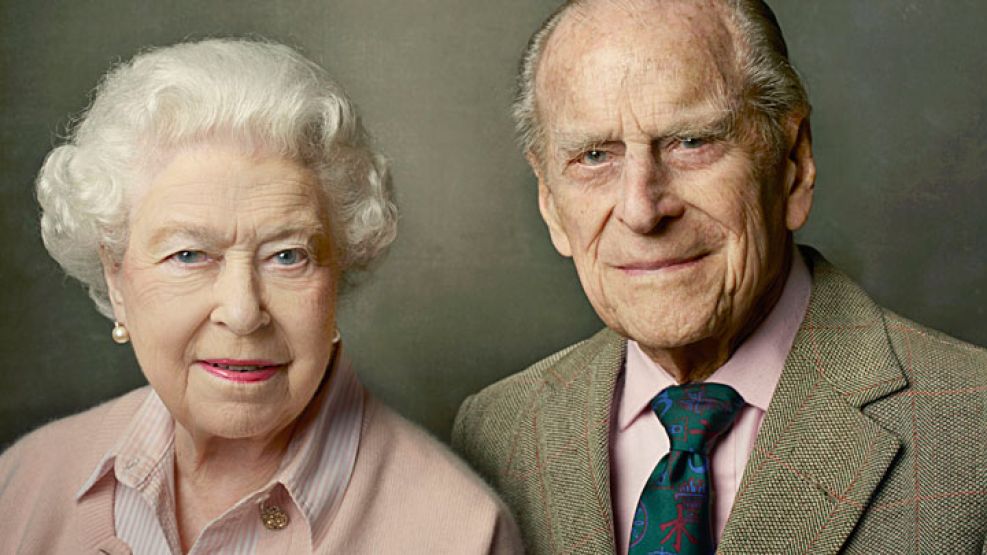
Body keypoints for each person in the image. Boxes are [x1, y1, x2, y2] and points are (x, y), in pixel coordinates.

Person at [452, 1, 987, 554]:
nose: (642, 209)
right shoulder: (495, 432)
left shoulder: (973, 430)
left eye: (691, 142)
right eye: (593, 156)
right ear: (548, 201)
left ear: (793, 164)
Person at [0, 38, 522, 554]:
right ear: (117, 280)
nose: (243, 312)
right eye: (189, 255)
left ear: (338, 274)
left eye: (288, 256)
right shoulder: (24, 481)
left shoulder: (462, 533)